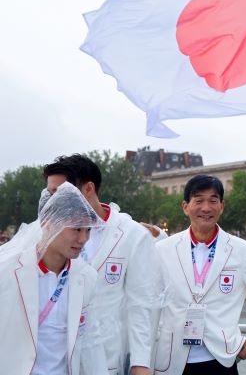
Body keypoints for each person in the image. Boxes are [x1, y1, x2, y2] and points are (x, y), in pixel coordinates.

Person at [43, 154, 162, 375]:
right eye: (49, 194)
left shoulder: (131, 235)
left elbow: (142, 303)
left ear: (88, 188)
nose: (52, 202)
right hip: (53, 356)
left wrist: (140, 362)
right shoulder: (49, 231)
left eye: (59, 193)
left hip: (106, 357)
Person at [153, 175, 246, 374]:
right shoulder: (163, 249)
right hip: (170, 360)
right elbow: (147, 304)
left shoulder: (242, 251)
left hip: (221, 360)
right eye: (198, 200)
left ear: (222, 206)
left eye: (213, 201)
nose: (206, 208)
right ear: (185, 207)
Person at [0, 182, 108, 373]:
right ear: (48, 225)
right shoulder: (8, 271)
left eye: (88, 230)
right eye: (76, 228)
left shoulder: (86, 277)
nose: (83, 239)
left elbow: (92, 341)